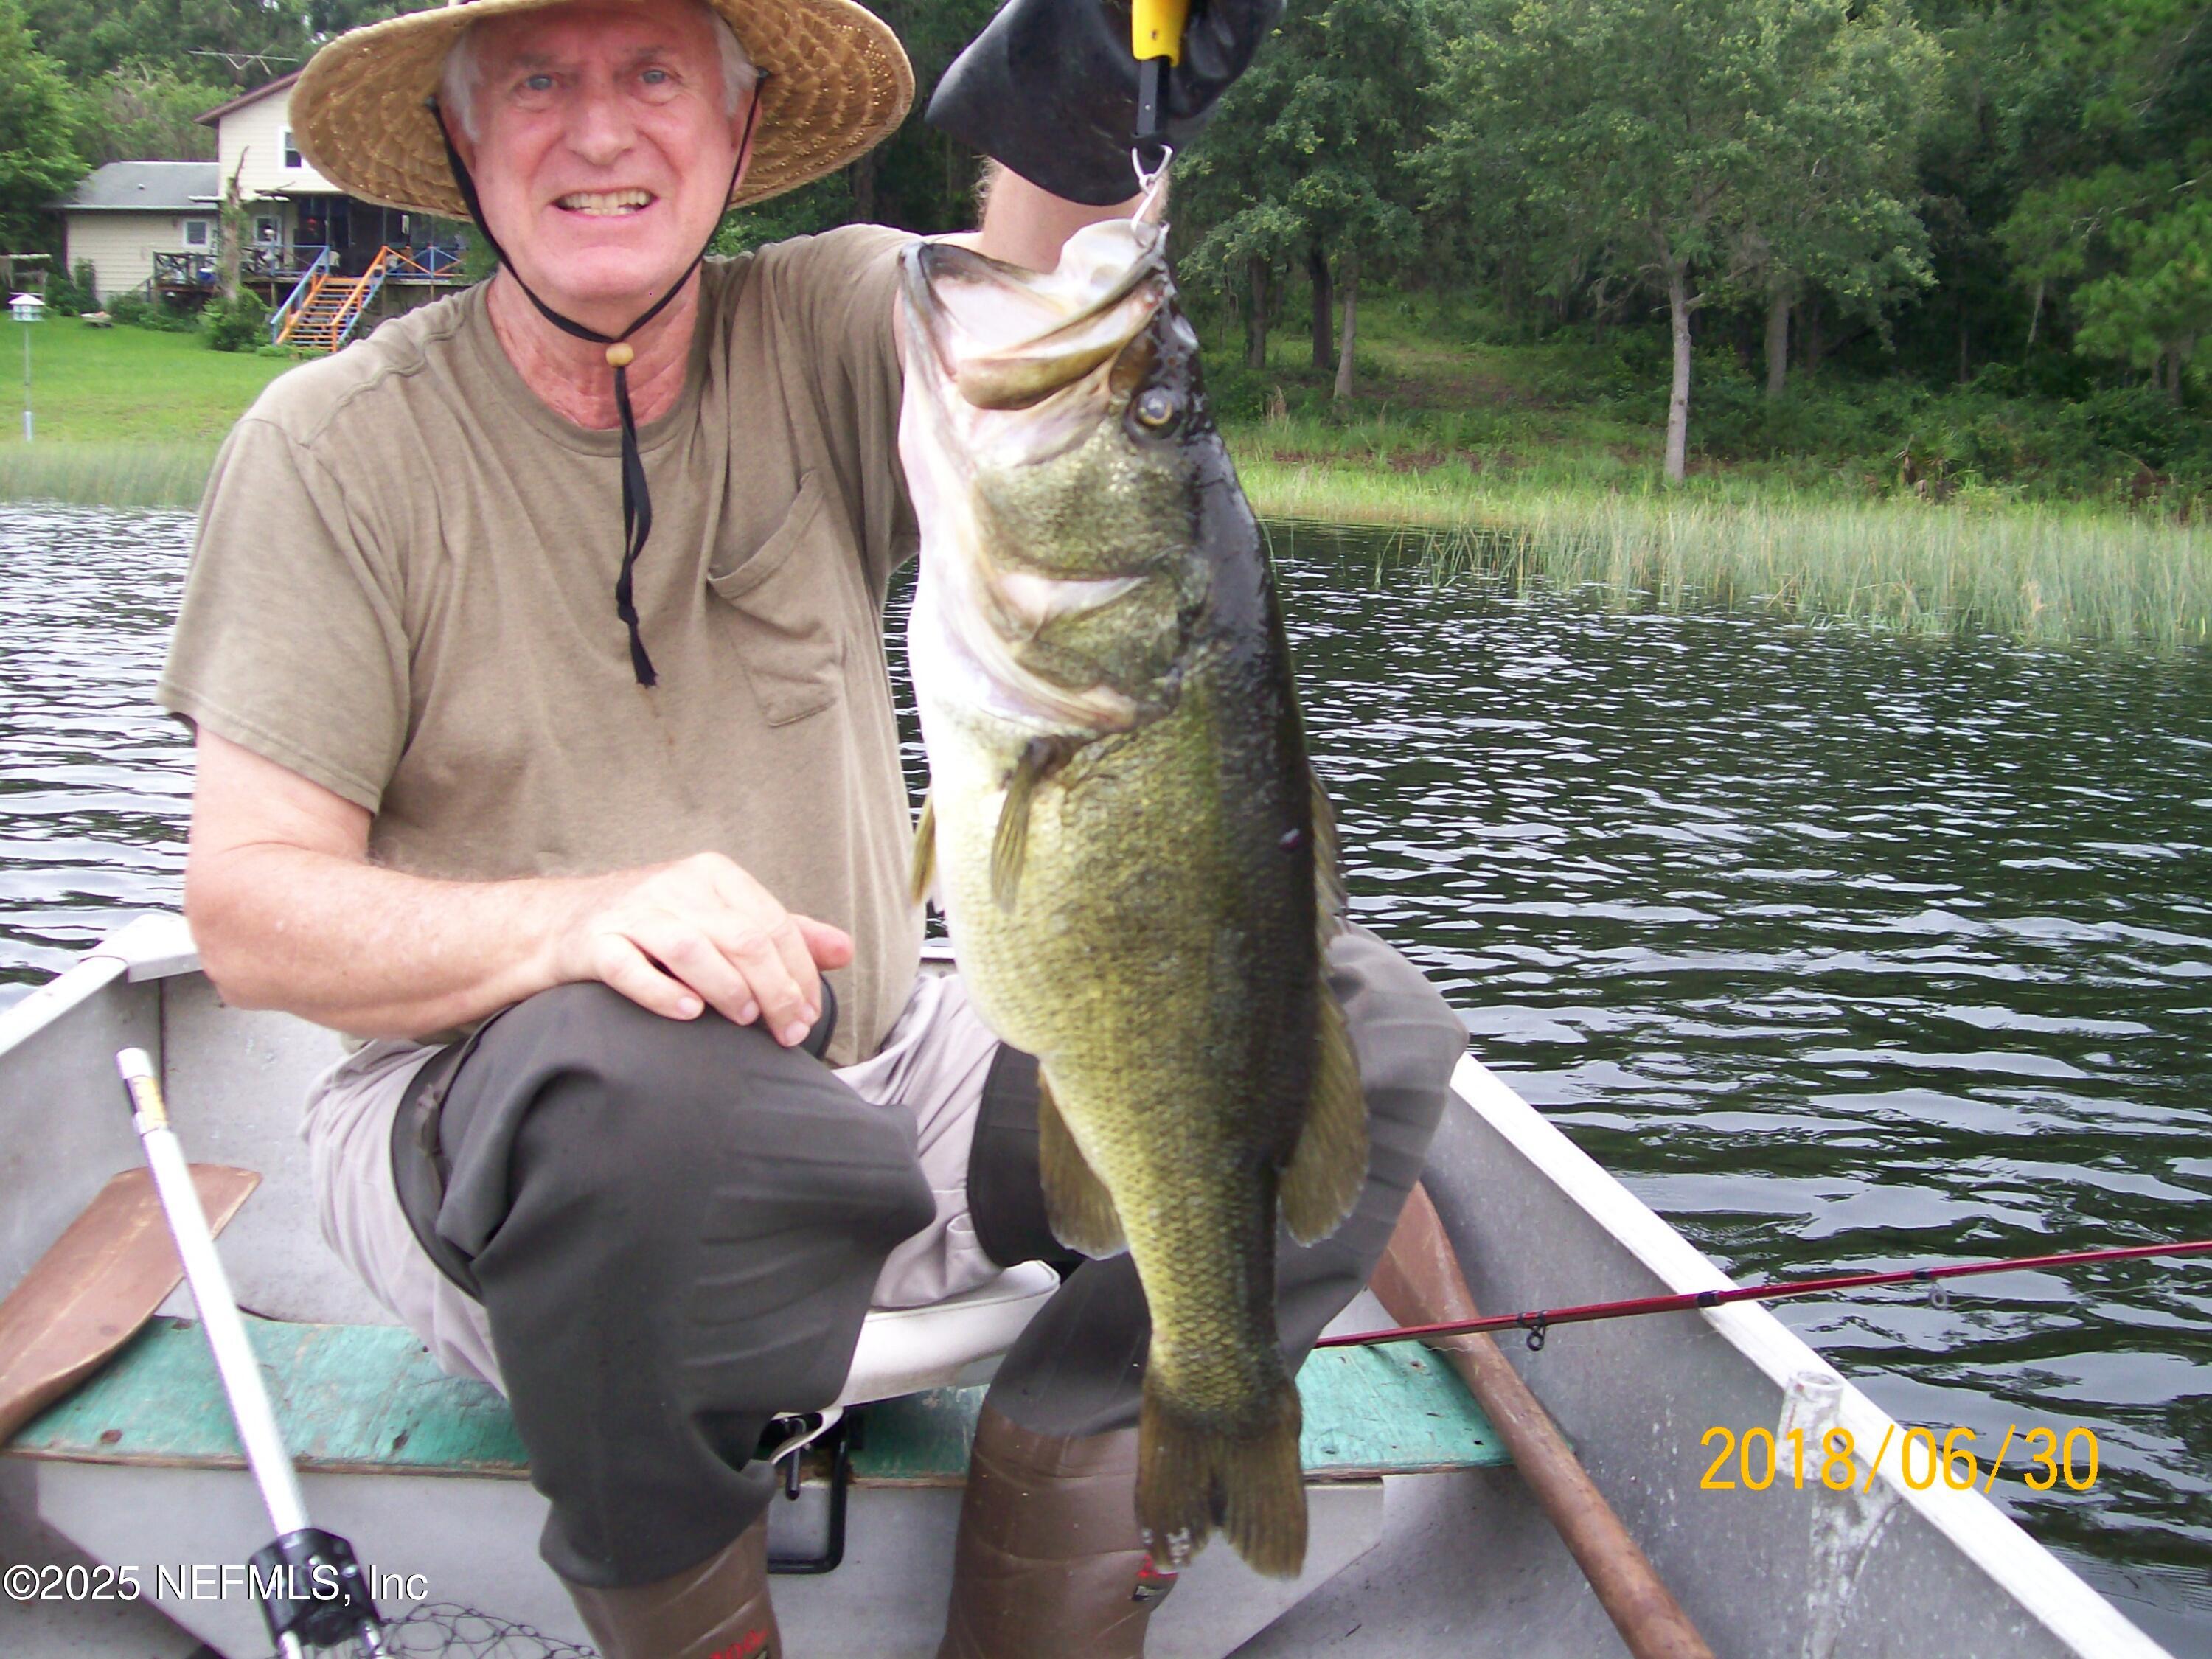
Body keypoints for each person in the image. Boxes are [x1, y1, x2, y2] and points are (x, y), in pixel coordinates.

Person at [159, 0, 1465, 1654]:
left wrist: (1088, 101)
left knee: (1366, 1022)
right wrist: (566, 927)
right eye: (542, 84)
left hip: (871, 1093)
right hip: (520, 1147)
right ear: (464, 144)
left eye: (653, 76)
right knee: (643, 1100)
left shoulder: (836, 324)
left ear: (737, 123)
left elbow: (1041, 298)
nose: (605, 131)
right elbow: (249, 914)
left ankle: (1083, 1503)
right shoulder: (331, 452)